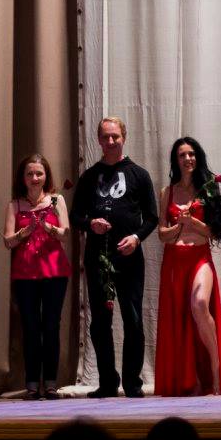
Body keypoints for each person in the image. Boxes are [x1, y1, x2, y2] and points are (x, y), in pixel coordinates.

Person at [70, 117, 158, 398]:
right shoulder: (88, 177)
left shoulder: (139, 175)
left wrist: (136, 238)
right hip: (98, 259)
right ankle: (107, 382)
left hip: (129, 259)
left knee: (133, 319)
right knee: (100, 322)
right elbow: (75, 216)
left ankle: (132, 382)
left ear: (124, 137)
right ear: (98, 139)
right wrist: (90, 224)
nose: (110, 142)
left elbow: (152, 218)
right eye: (105, 137)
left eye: (115, 137)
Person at [155, 137, 221, 396]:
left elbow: (214, 232)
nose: (188, 159)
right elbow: (162, 234)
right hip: (174, 259)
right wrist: (179, 225)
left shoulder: (208, 189)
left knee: (199, 304)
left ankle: (215, 370)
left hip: (200, 256)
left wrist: (192, 222)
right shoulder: (167, 192)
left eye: (191, 154)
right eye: (182, 155)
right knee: (180, 320)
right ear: (175, 160)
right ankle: (192, 380)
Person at [4, 153, 71, 400]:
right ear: (23, 178)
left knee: (51, 326)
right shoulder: (15, 205)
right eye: (30, 174)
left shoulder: (56, 200)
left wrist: (49, 228)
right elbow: (7, 241)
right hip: (25, 273)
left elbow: (66, 234)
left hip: (54, 271)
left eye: (39, 174)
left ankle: (50, 383)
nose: (35, 178)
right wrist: (25, 232)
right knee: (31, 328)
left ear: (46, 176)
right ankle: (32, 384)